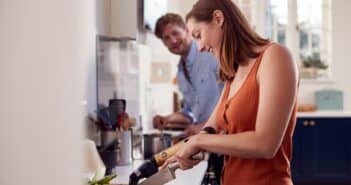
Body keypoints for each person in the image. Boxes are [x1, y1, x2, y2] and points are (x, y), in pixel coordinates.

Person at [163, 0, 299, 185]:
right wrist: (184, 152)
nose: (200, 47)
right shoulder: (232, 74)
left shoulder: (276, 57)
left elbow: (265, 144)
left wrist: (199, 142)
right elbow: (212, 126)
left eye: (198, 35)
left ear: (218, 18)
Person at [153, 13, 223, 136]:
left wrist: (203, 127)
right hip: (207, 141)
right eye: (166, 38)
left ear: (186, 30)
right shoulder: (180, 73)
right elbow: (189, 114)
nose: (173, 41)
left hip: (224, 136)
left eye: (175, 33)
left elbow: (230, 101)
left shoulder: (210, 54)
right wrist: (167, 119)